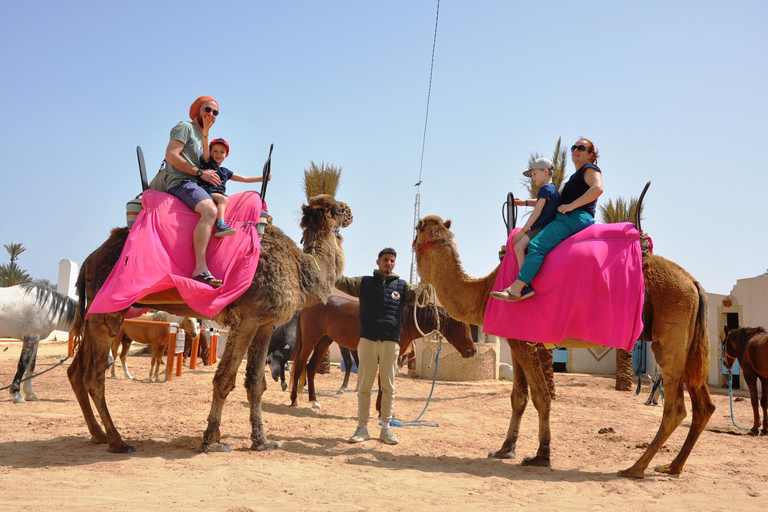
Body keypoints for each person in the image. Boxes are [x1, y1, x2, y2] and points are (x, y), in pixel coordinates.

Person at [496, 138, 604, 301]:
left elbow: (598, 188)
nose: (575, 150)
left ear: (590, 155)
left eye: (581, 148)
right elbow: (551, 200)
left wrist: (571, 206)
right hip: (568, 215)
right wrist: (524, 202)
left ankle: (518, 288)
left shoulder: (589, 169)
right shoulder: (574, 178)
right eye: (574, 147)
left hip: (575, 217)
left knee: (537, 245)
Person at [335, 248, 418, 446]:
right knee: (364, 386)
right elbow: (340, 281)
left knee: (389, 387)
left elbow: (421, 296)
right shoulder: (364, 283)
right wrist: (328, 266)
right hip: (367, 341)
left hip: (390, 342)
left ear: (394, 264)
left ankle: (385, 428)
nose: (389, 263)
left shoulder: (403, 286)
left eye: (392, 260)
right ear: (378, 261)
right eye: (385, 260)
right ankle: (362, 427)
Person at [163, 95, 224, 288]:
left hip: (196, 183)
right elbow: (171, 155)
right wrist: (199, 172)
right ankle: (200, 269)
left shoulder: (203, 137)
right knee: (210, 211)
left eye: (215, 112)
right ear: (197, 110)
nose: (211, 115)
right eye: (207, 110)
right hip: (180, 180)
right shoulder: (185, 127)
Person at [491, 157, 560, 302]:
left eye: (535, 174)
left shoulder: (544, 189)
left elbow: (537, 212)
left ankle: (525, 284)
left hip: (540, 227)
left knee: (518, 247)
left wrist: (523, 231)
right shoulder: (553, 189)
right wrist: (525, 202)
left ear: (546, 171)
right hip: (548, 226)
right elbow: (542, 202)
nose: (533, 178)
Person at [198, 128, 269, 237]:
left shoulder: (225, 172)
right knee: (223, 199)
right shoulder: (208, 164)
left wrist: (262, 179)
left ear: (226, 155)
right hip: (208, 192)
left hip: (219, 194)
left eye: (222, 152)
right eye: (215, 151)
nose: (218, 154)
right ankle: (221, 224)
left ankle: (259, 229)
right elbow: (205, 143)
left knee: (248, 203)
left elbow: (244, 178)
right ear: (210, 152)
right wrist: (206, 132)